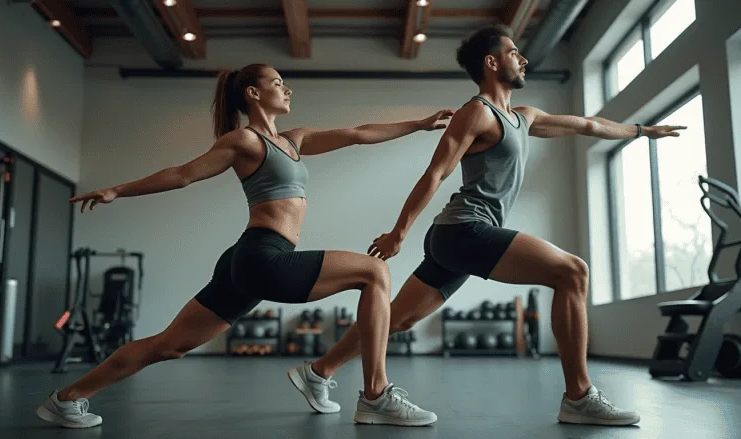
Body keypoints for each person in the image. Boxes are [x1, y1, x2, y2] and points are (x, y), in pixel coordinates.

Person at [287, 25, 686, 427]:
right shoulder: (477, 113)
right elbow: (436, 173)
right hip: (463, 230)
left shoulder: (523, 117)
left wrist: (641, 131)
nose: (523, 59)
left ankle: (318, 371)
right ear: (492, 63)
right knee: (572, 271)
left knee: (398, 318)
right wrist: (399, 233)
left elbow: (587, 125)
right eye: (515, 52)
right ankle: (579, 397)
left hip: (458, 238)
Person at [35, 63, 454, 428]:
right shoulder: (244, 142)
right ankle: (375, 395)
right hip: (261, 256)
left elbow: (359, 133)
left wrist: (419, 123)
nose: (286, 89)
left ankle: (66, 400)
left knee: (171, 345)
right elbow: (182, 174)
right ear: (253, 93)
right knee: (375, 271)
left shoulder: (294, 140)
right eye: (277, 82)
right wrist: (118, 190)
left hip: (247, 259)